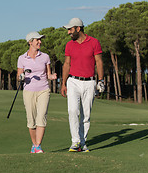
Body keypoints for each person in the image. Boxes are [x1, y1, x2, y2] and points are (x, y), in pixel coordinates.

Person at [60, 18, 105, 152]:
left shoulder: (94, 42)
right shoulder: (69, 45)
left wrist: (101, 80)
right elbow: (67, 64)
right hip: (73, 81)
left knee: (86, 115)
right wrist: (63, 83)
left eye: (70, 29)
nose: (68, 32)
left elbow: (99, 62)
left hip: (89, 82)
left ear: (78, 29)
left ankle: (83, 142)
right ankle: (75, 142)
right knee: (73, 111)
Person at [17, 31, 57, 153]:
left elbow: (48, 74)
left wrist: (52, 77)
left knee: (42, 117)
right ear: (30, 42)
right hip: (29, 91)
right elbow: (19, 76)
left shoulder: (45, 57)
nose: (40, 42)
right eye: (37, 40)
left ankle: (38, 146)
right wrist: (23, 75)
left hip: (43, 90)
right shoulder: (22, 58)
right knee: (31, 120)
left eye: (40, 40)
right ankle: (34, 145)